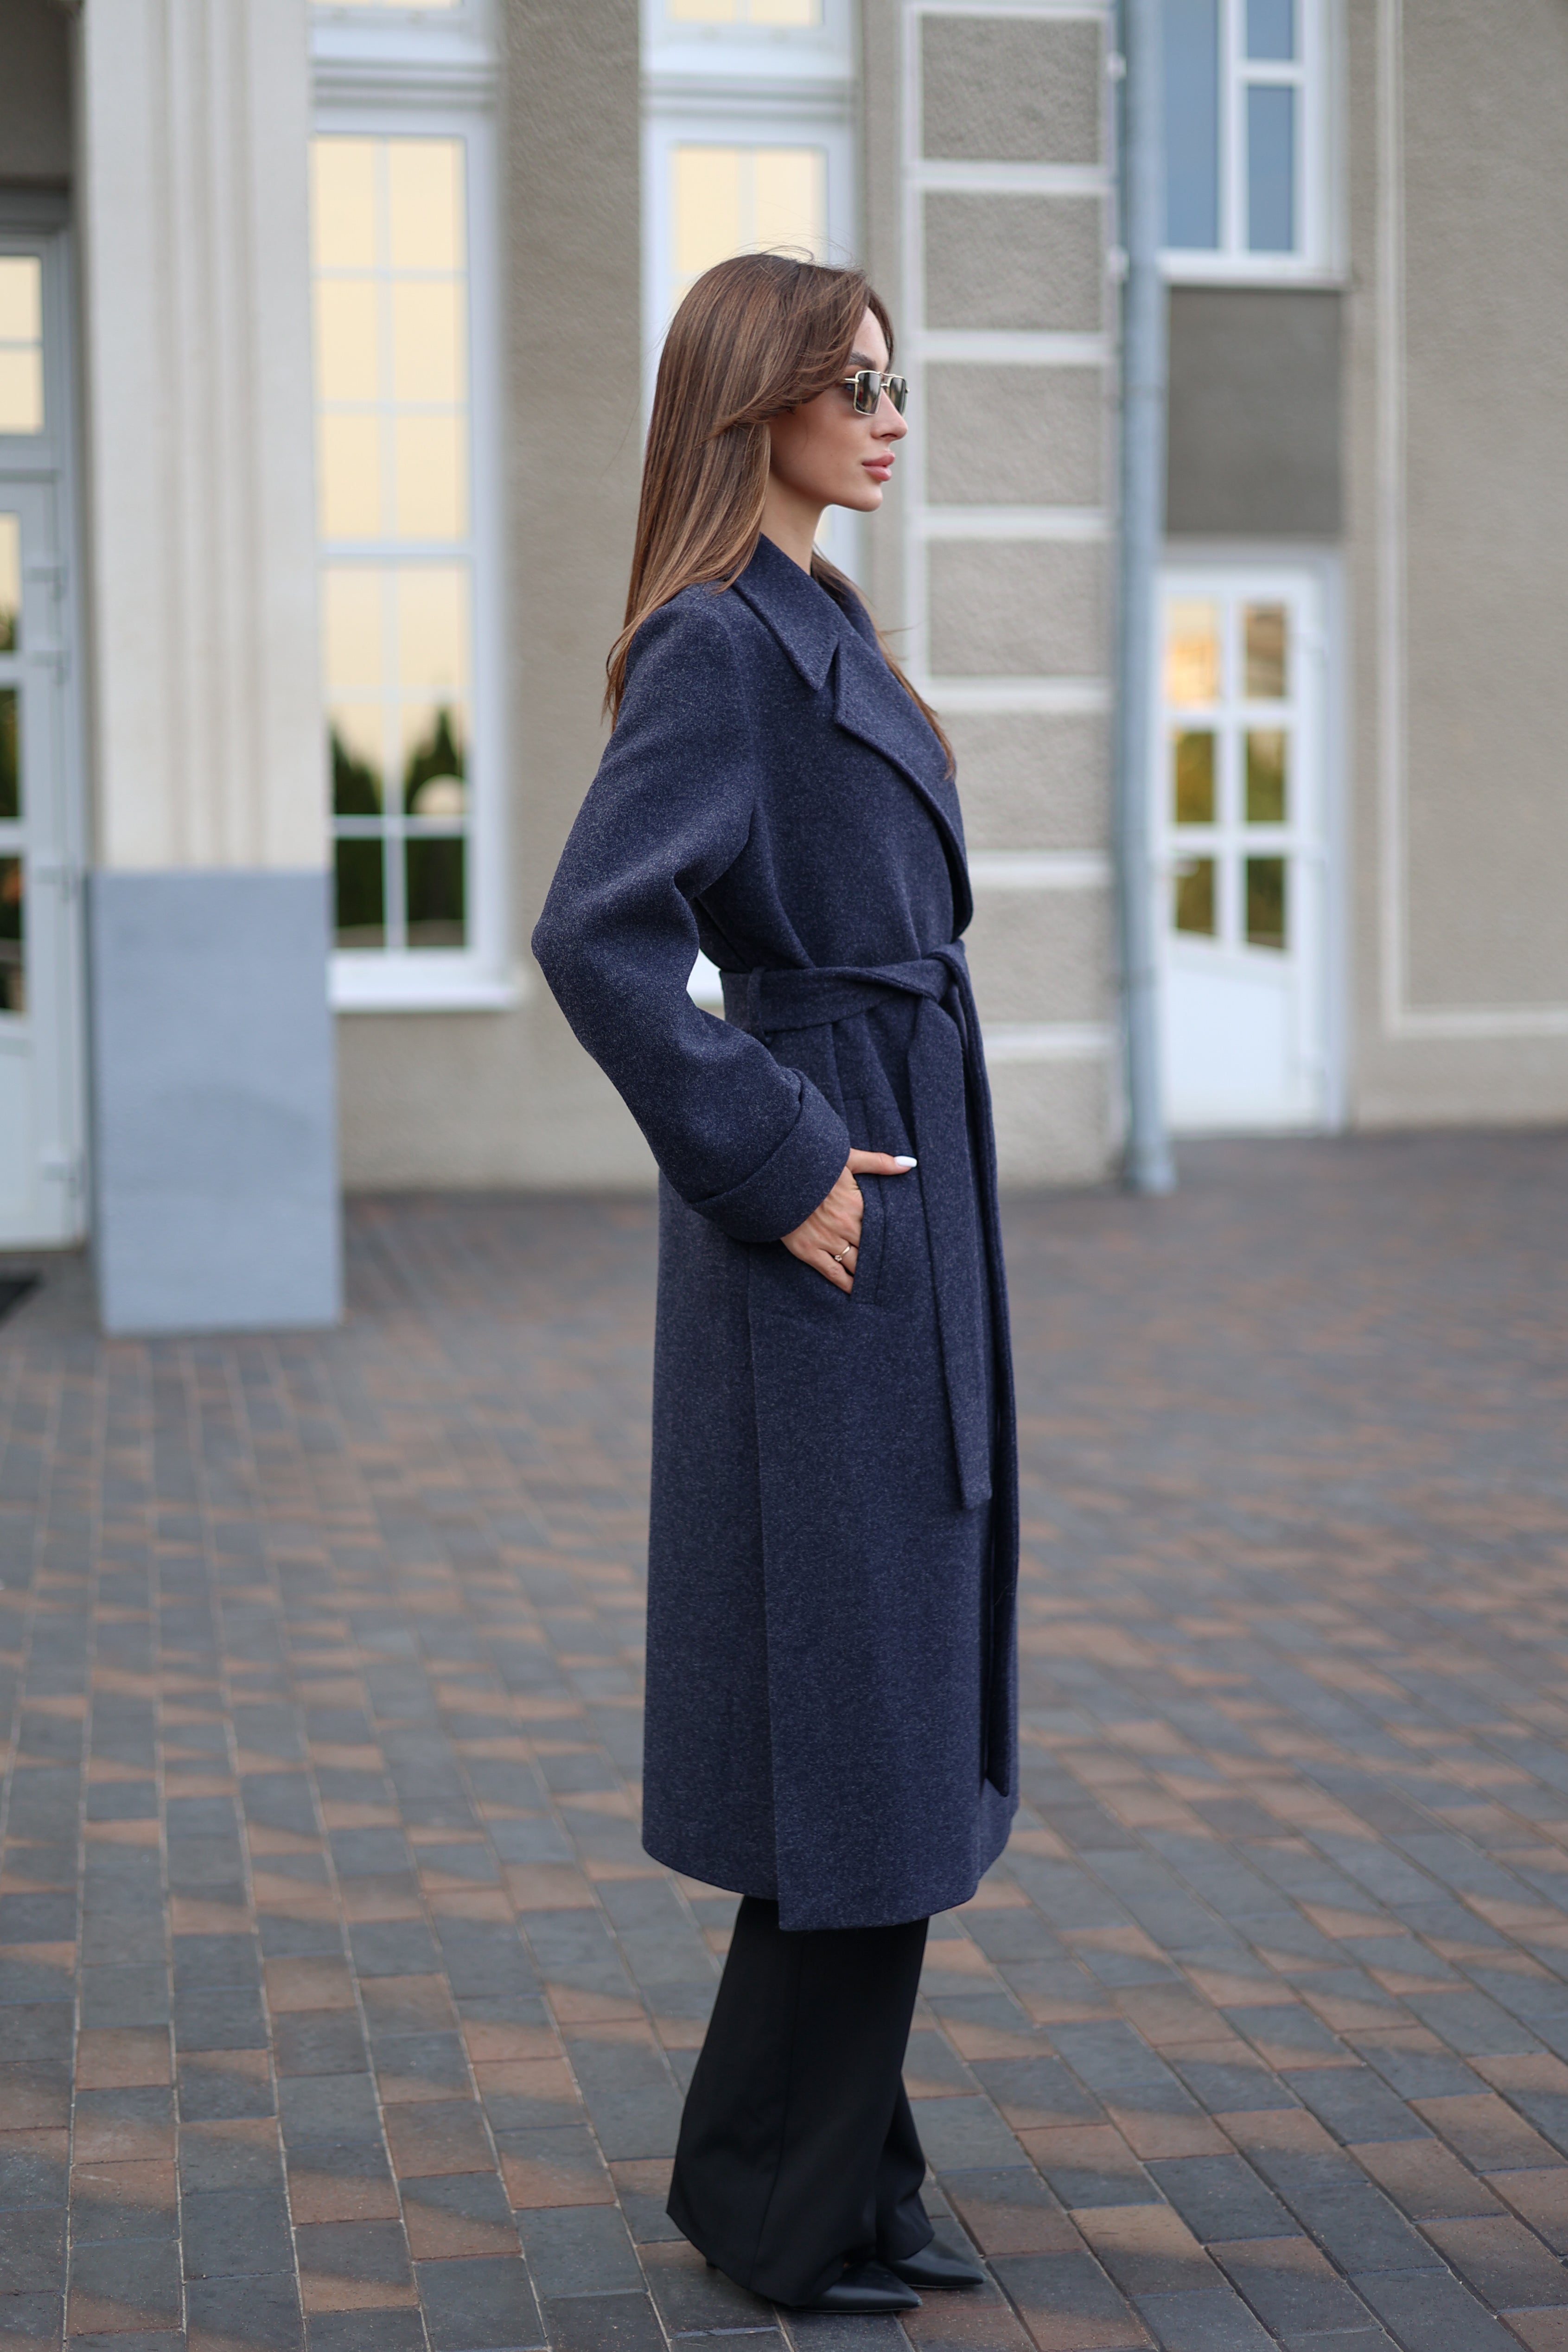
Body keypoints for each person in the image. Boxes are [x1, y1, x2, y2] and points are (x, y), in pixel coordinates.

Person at [532, 253, 1019, 2316]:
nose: (894, 413)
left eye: (901, 380)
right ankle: (774, 2195)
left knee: (888, 1710)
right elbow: (598, 937)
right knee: (864, 1725)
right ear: (760, 406)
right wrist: (782, 1159)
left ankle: (840, 2170)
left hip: (907, 1174)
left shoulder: (821, 622)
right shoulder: (720, 647)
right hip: (838, 1196)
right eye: (857, 382)